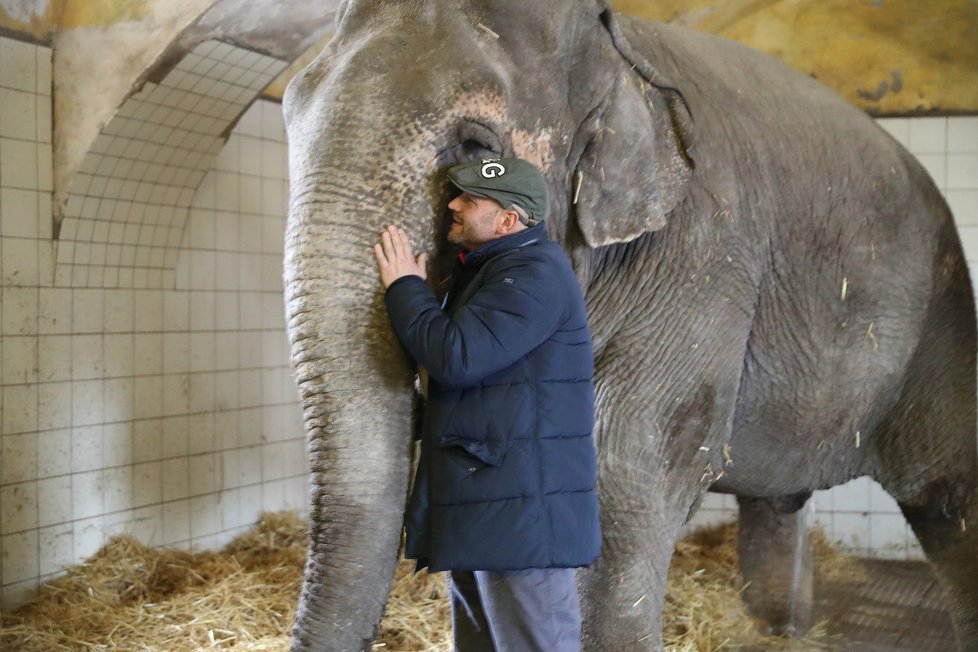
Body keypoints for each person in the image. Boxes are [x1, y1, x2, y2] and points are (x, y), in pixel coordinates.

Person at [372, 157, 600, 651]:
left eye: (470, 200)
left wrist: (405, 289)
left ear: (508, 221)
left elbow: (458, 357)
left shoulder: (533, 275)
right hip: (493, 504)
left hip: (520, 517)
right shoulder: (494, 270)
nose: (452, 204)